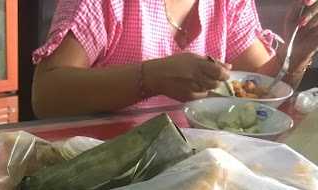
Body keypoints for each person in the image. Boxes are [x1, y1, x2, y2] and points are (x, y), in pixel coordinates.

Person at [32, 0, 318, 118]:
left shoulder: (228, 4)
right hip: (107, 179)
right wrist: (150, 78)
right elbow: (46, 95)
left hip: (198, 174)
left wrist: (296, 54)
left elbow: (260, 95)